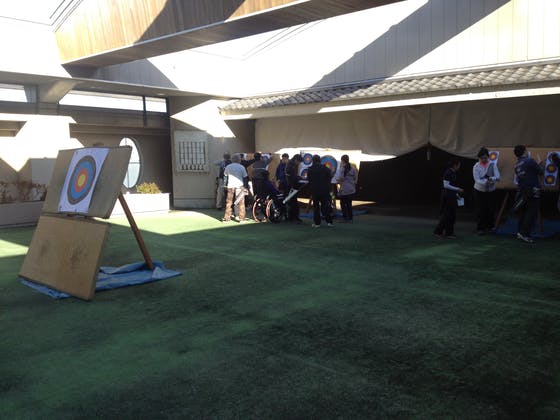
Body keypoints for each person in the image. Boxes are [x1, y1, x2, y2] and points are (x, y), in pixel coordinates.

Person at [513, 145, 543, 243]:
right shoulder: (530, 161)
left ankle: (520, 232)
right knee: (531, 212)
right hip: (532, 190)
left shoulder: (516, 165)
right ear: (524, 151)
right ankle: (525, 234)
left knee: (524, 212)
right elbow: (540, 172)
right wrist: (540, 164)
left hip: (522, 191)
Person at [472, 147, 501, 234]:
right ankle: (480, 228)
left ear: (488, 157)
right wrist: (485, 182)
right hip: (479, 190)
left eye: (485, 158)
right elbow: (477, 180)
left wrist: (491, 179)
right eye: (482, 158)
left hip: (491, 190)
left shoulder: (492, 164)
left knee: (490, 209)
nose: (484, 160)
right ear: (479, 158)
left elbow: (498, 177)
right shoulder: (476, 166)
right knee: (480, 209)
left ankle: (490, 227)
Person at [434, 157, 464, 239]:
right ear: (455, 165)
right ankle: (440, 232)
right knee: (448, 215)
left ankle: (447, 232)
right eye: (458, 165)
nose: (459, 167)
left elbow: (452, 185)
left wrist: (457, 195)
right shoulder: (448, 172)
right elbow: (446, 185)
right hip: (447, 196)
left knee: (451, 215)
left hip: (452, 196)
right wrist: (458, 189)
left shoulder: (453, 173)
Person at [307, 154, 334, 227]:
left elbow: (309, 179)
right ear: (320, 160)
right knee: (325, 206)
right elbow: (330, 177)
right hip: (324, 190)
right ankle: (329, 222)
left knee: (316, 207)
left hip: (315, 190)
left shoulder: (310, 169)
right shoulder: (325, 168)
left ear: (313, 161)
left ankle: (317, 223)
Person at [223, 154, 249, 222]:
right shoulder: (242, 167)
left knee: (229, 202)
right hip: (240, 186)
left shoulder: (228, 166)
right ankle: (241, 218)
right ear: (239, 160)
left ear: (232, 160)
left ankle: (227, 218)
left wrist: (225, 185)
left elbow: (225, 176)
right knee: (241, 203)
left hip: (230, 186)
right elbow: (245, 178)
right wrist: (245, 187)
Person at [337, 154, 357, 223]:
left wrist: (336, 180)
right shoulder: (353, 168)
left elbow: (340, 179)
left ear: (342, 160)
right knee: (349, 204)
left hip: (344, 190)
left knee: (343, 204)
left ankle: (345, 218)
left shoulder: (342, 168)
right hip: (351, 189)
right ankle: (350, 218)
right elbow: (354, 178)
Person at [285, 154, 304, 223]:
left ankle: (294, 217)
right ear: (296, 159)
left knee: (294, 202)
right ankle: (292, 218)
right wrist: (300, 178)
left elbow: (294, 176)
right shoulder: (290, 166)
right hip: (291, 186)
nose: (299, 163)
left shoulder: (291, 165)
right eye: (299, 162)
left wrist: (299, 178)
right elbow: (293, 176)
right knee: (292, 202)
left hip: (292, 185)